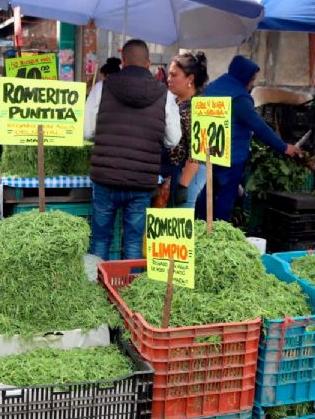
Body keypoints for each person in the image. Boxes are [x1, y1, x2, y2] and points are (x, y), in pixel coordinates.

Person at [84, 39, 181, 259]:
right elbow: (174, 139)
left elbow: (87, 132)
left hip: (105, 178)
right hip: (141, 182)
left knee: (100, 240)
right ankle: (129, 290)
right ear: (148, 64)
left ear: (123, 62)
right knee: (134, 243)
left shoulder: (102, 88)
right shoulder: (165, 95)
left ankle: (94, 289)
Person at [196, 55, 300, 222]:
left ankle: (200, 226)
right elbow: (259, 127)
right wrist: (284, 147)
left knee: (207, 191)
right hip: (231, 156)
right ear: (244, 77)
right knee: (226, 196)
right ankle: (220, 234)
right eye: (252, 79)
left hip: (208, 151)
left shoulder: (212, 87)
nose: (252, 84)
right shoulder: (239, 98)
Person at [161, 52, 209, 208]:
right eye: (169, 75)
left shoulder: (198, 107)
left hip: (189, 172)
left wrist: (183, 184)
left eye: (174, 75)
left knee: (181, 223)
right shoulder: (173, 101)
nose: (169, 79)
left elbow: (198, 151)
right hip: (172, 171)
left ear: (190, 79)